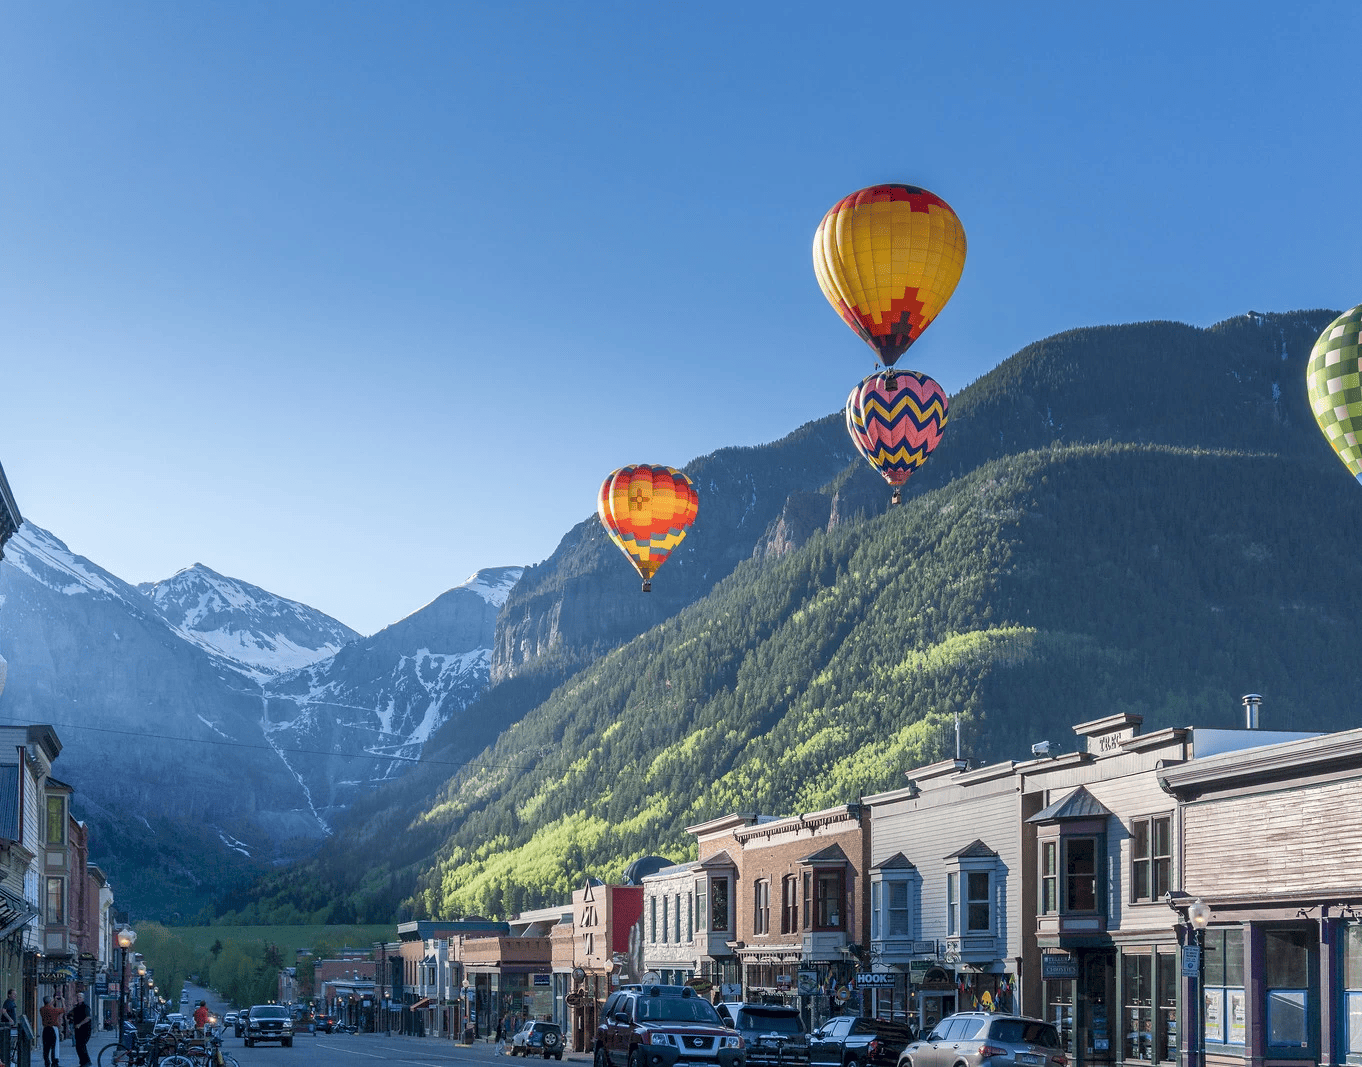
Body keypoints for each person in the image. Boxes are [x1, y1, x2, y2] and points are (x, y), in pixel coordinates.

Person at [39, 995, 64, 1067]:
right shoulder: (53, 1010)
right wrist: (62, 1001)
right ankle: (54, 1063)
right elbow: (64, 1009)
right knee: (54, 1047)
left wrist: (53, 1000)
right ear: (50, 1002)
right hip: (52, 1029)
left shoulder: (42, 1009)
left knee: (46, 1048)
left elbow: (48, 1005)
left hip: (45, 1029)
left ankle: (47, 1062)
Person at [69, 993, 92, 1067]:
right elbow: (70, 1014)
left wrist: (80, 1024)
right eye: (77, 997)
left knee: (82, 1045)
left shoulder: (85, 1007)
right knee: (78, 1046)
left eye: (80, 997)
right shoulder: (76, 1007)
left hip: (85, 1030)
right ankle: (82, 1062)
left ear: (83, 998)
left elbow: (88, 1018)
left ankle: (87, 1062)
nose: (78, 998)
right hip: (77, 1030)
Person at [0, 989, 15, 1065]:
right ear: (9, 995)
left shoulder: (11, 1002)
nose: (15, 996)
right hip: (6, 1026)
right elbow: (3, 1010)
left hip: (9, 1026)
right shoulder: (8, 1002)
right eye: (13, 994)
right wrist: (10, 1019)